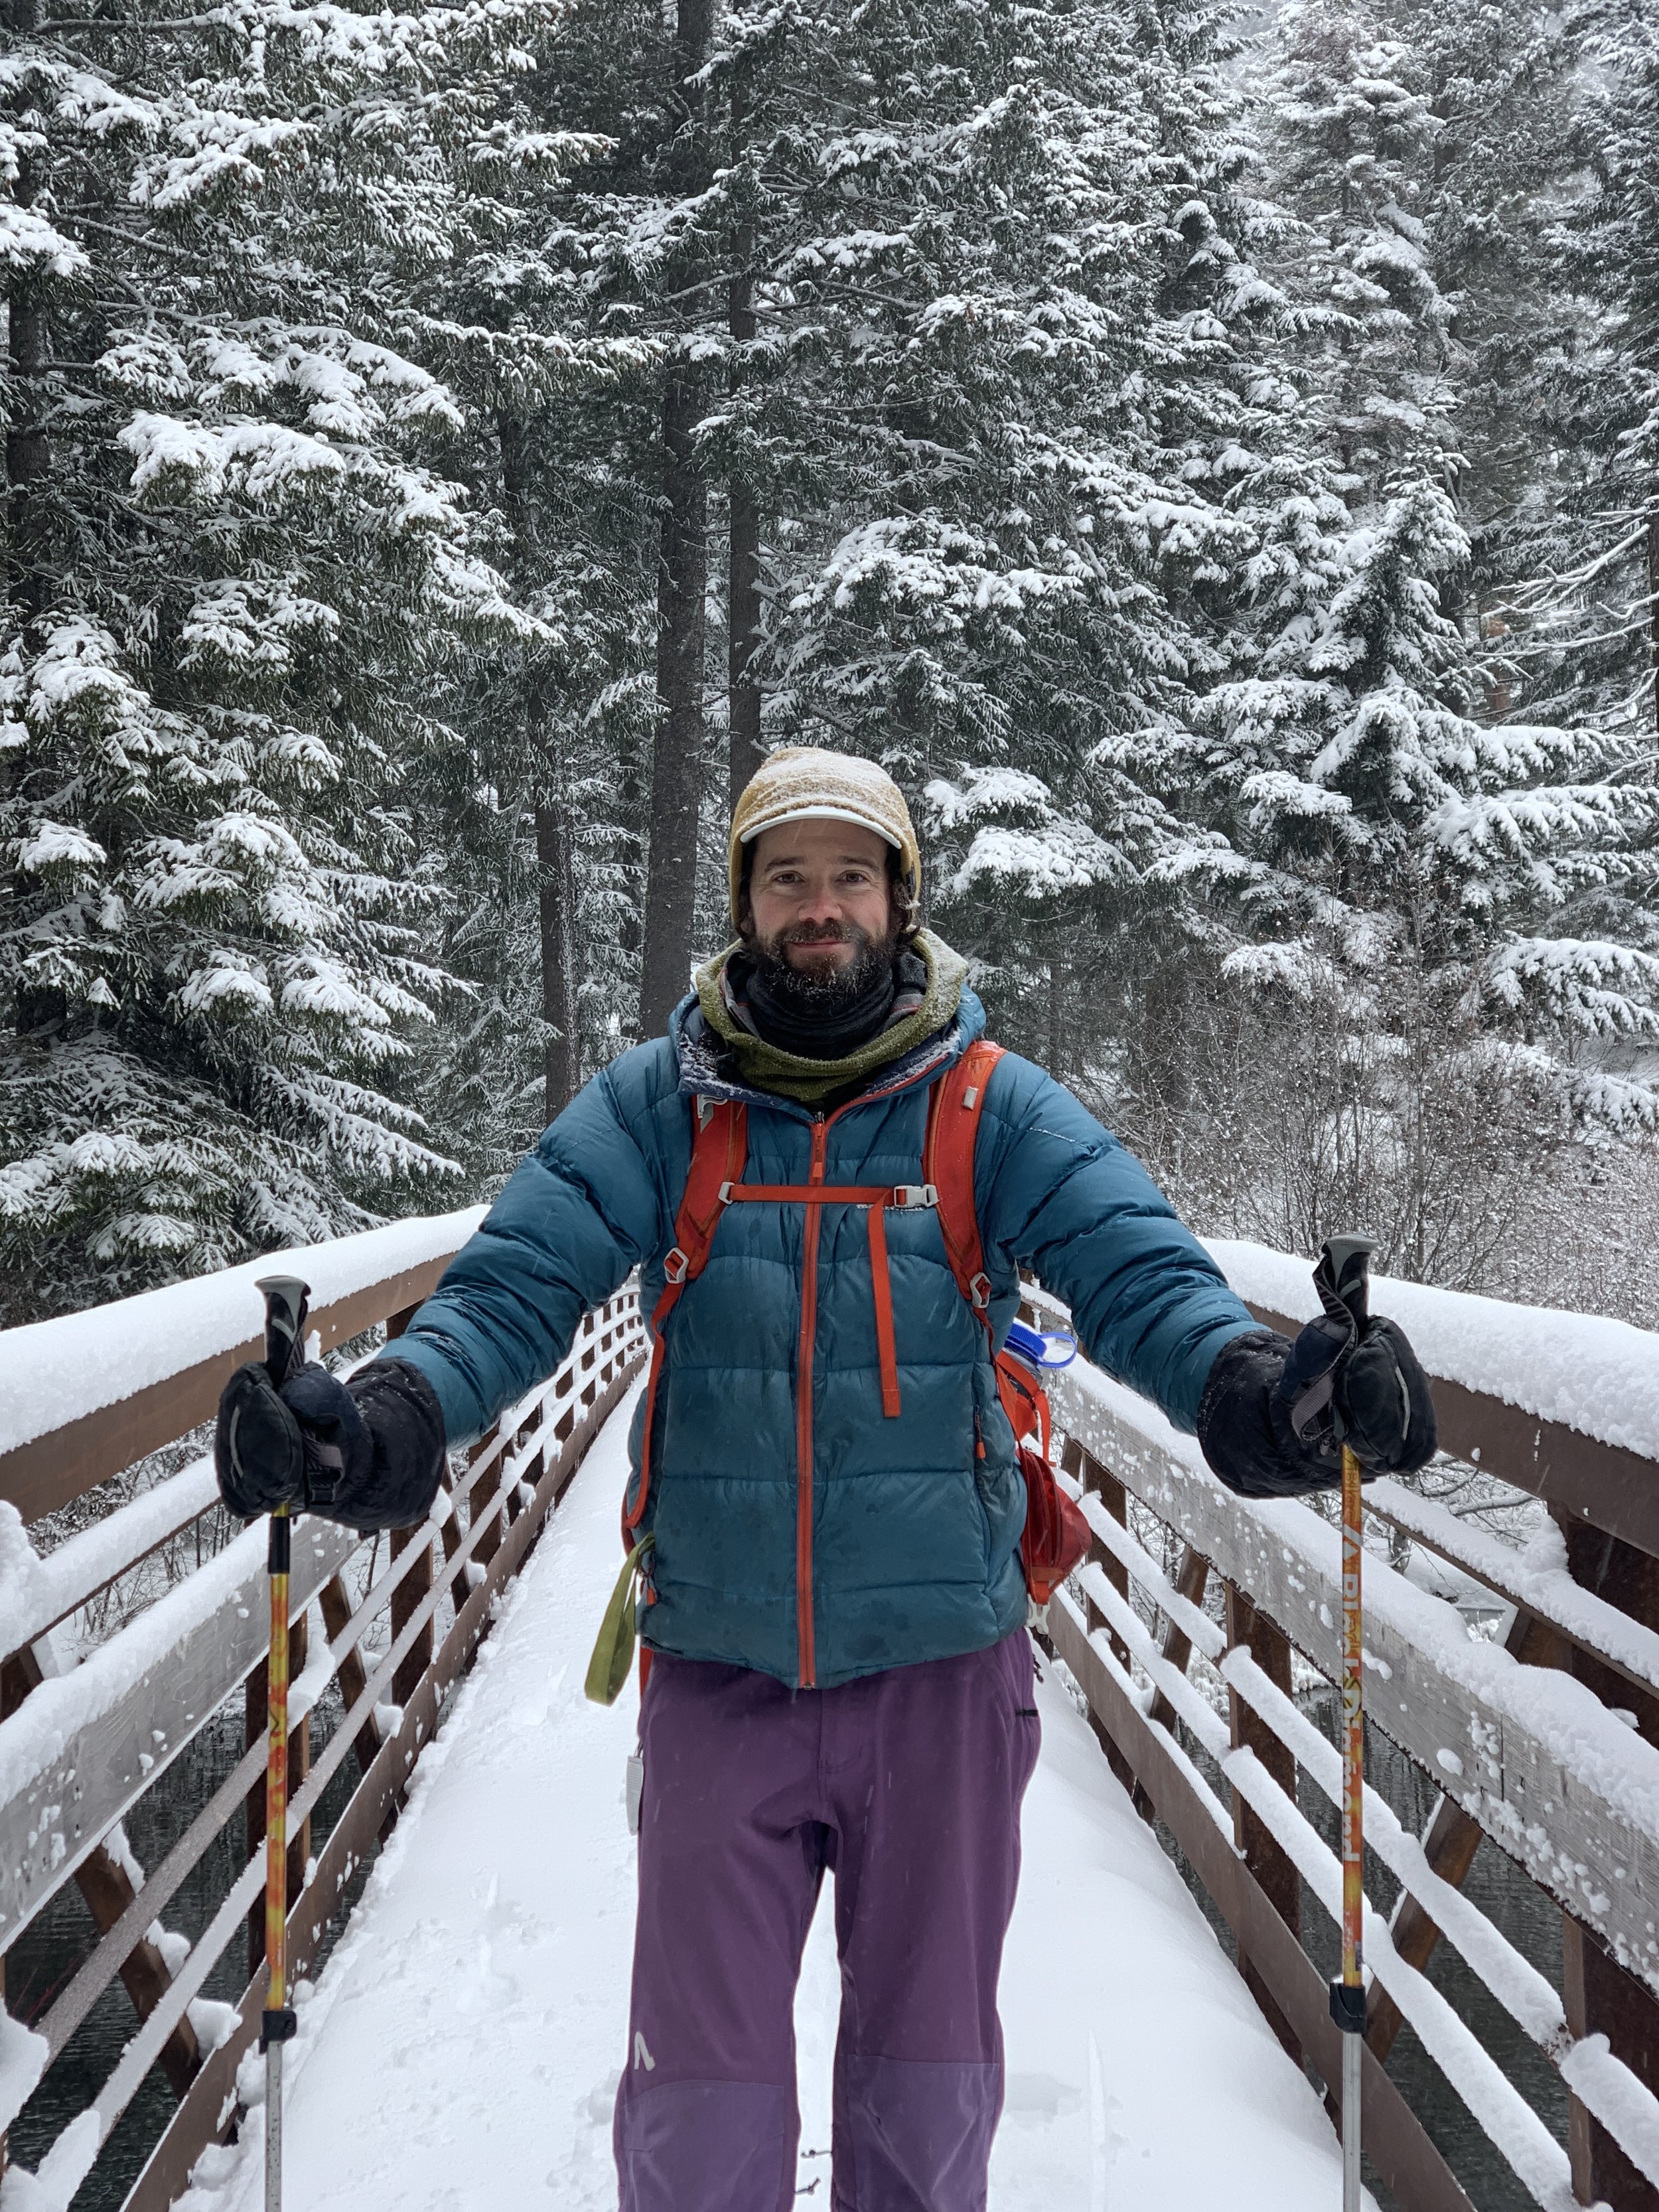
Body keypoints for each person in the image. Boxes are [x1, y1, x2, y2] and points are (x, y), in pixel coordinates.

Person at [216, 747, 1435, 2212]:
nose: (817, 906)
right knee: (696, 2114)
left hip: (940, 1678)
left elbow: (1140, 1278)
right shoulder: (657, 1107)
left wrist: (1273, 1398)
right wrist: (381, 1417)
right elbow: (514, 1286)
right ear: (741, 902)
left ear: (898, 898)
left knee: (924, 2101)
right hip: (716, 1669)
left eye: (848, 874)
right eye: (784, 875)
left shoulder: (992, 1107)